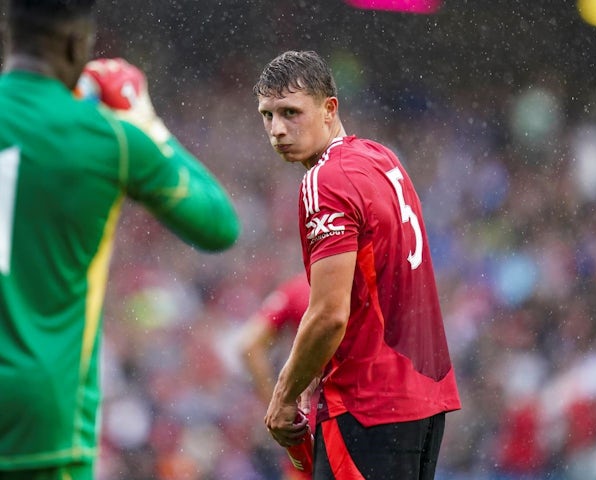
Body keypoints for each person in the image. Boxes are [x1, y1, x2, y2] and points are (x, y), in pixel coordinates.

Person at [0, 1, 240, 479]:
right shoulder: (110, 141)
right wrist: (143, 120)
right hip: (43, 418)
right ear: (75, 43)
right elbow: (218, 224)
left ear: (10, 34)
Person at [253, 50, 461, 480]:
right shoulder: (382, 159)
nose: (277, 130)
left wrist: (284, 395)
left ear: (330, 109)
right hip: (423, 399)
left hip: (367, 404)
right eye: (267, 115)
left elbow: (330, 314)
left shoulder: (323, 180)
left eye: (291, 113)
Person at [240, 271, 312, 480]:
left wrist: (279, 405)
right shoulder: (364, 283)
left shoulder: (300, 287)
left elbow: (249, 345)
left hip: (306, 427)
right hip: (362, 419)